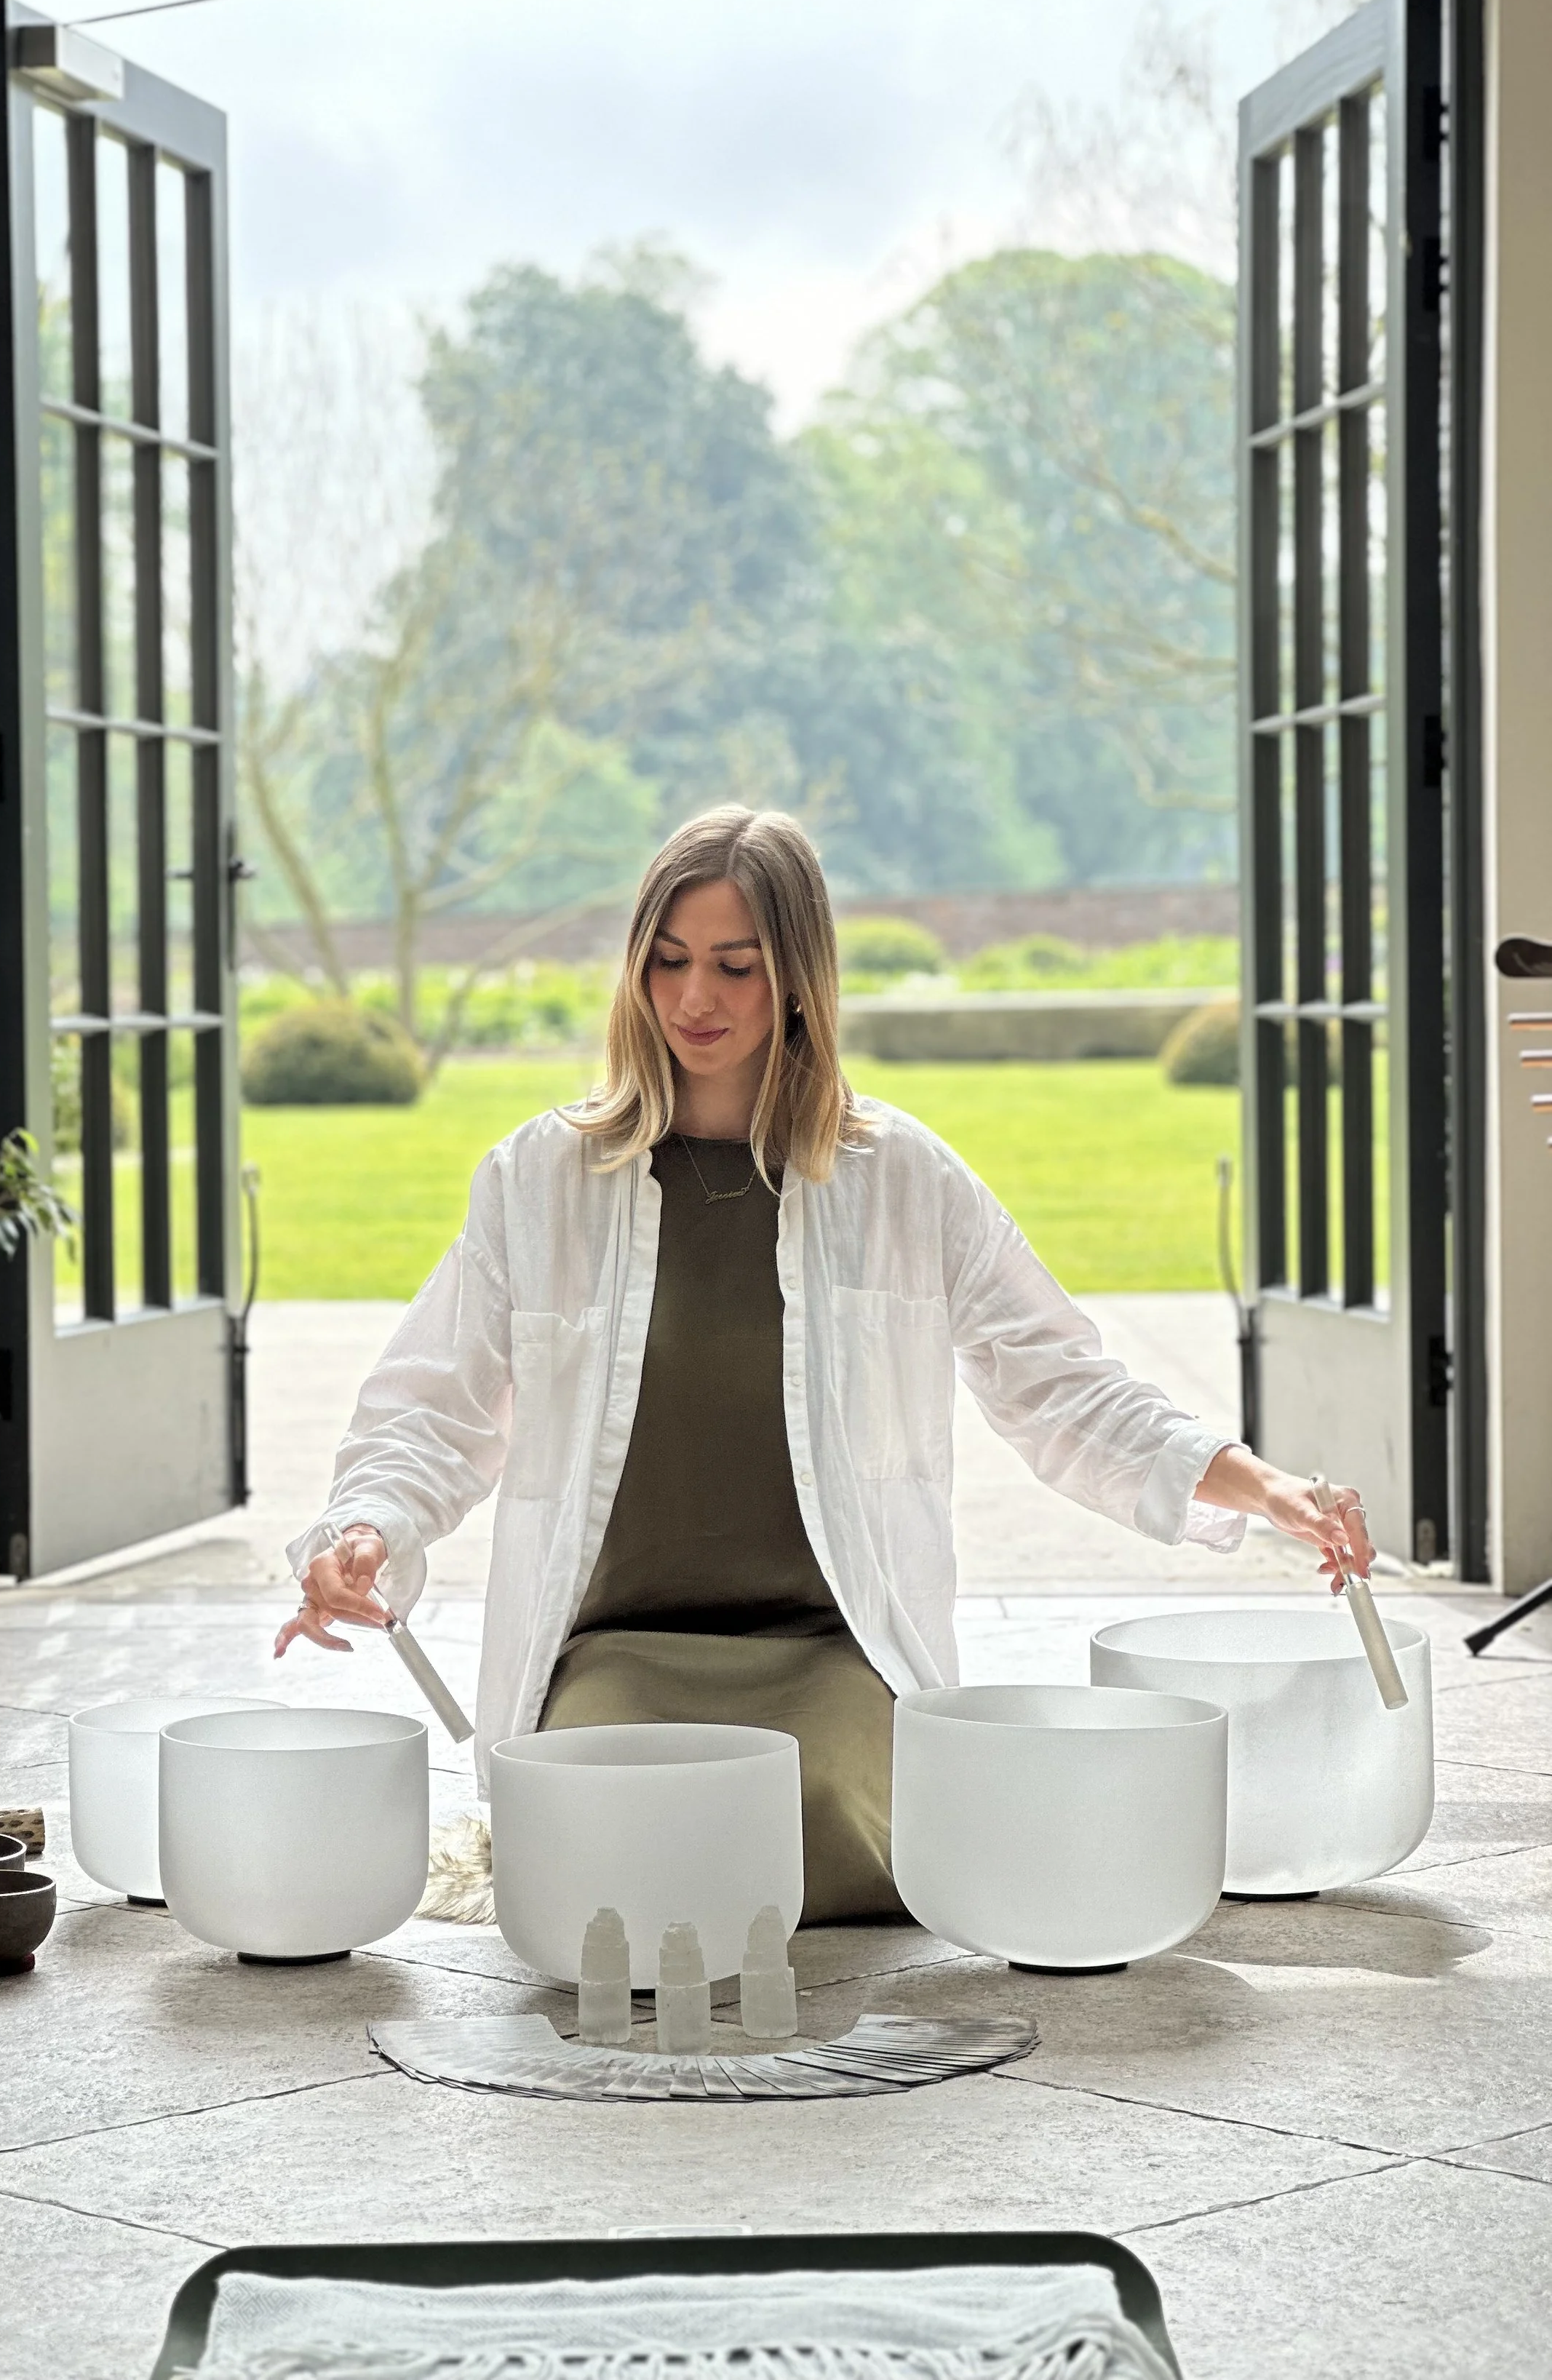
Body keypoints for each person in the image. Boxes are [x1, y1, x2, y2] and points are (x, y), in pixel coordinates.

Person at [277, 807, 1372, 1920]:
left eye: (735, 967)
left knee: (822, 1819)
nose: (693, 999)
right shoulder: (541, 1179)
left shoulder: (901, 1178)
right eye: (667, 961)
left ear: (798, 976)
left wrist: (1264, 1486)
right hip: (620, 1651)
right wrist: (365, 1528)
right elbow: (431, 1405)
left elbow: (1061, 1382)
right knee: (612, 1832)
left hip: (832, 1645)